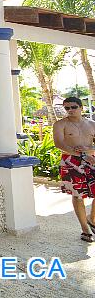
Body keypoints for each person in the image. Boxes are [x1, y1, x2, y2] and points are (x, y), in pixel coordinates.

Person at [53, 97, 95, 242]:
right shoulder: (60, 124)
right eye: (67, 108)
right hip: (71, 161)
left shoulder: (92, 124)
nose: (70, 110)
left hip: (91, 160)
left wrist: (89, 151)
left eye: (73, 107)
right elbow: (59, 144)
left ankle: (92, 218)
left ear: (81, 107)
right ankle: (85, 229)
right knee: (78, 196)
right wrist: (82, 154)